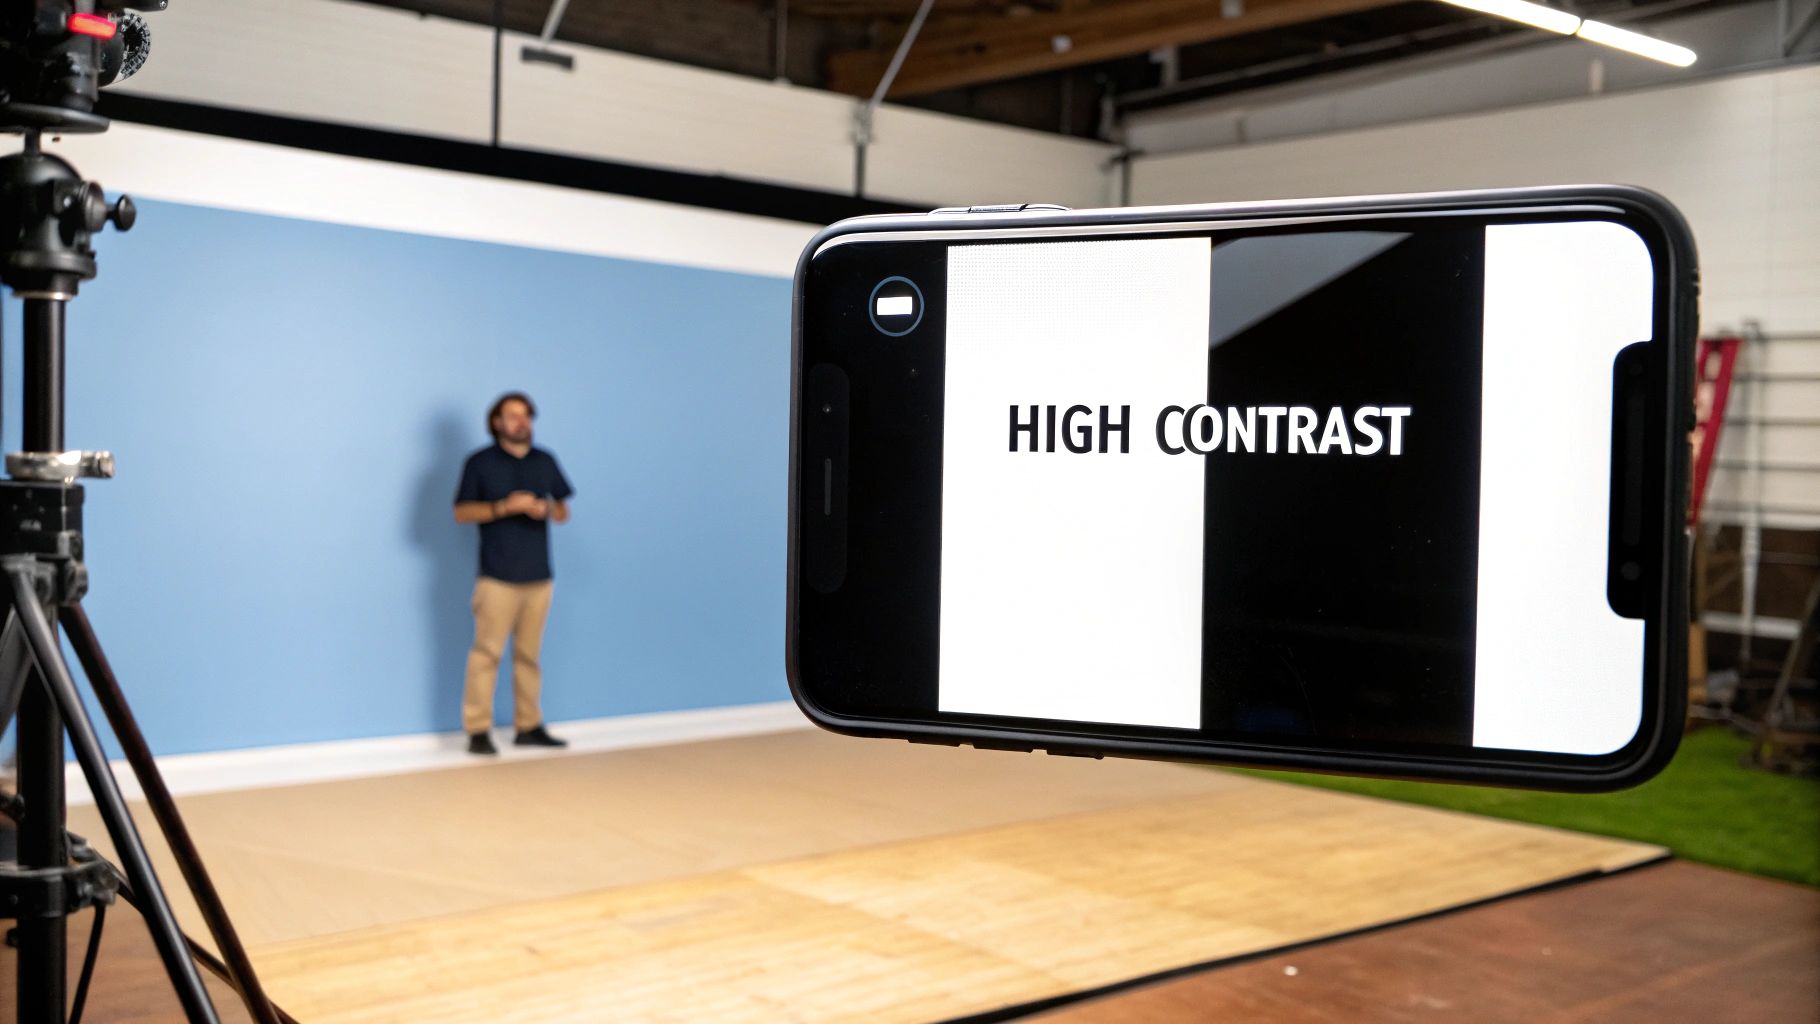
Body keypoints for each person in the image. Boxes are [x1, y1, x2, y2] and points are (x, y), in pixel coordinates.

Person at [453, 392, 574, 755]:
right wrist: (505, 506)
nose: (522, 423)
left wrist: (546, 508)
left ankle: (528, 726)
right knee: (486, 654)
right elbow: (461, 512)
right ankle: (477, 730)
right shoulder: (479, 463)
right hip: (497, 576)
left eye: (527, 417)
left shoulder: (545, 460)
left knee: (529, 656)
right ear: (497, 423)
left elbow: (564, 511)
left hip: (539, 575)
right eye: (513, 417)